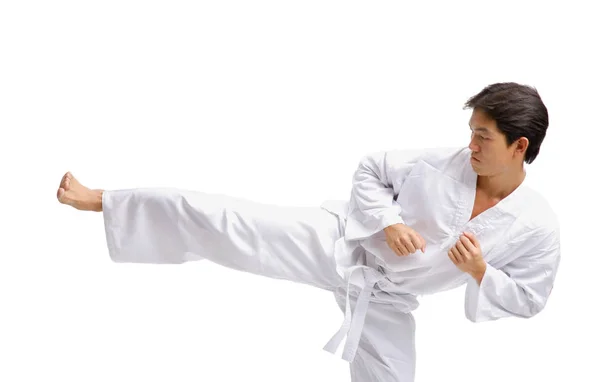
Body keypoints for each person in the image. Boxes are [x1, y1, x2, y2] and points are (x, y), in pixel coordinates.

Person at [56, 82, 561, 382]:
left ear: (519, 146)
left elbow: (529, 297)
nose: (469, 144)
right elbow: (370, 169)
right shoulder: (442, 163)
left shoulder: (536, 226)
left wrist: (479, 271)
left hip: (388, 299)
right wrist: (389, 222)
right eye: (470, 131)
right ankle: (106, 200)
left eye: (482, 136)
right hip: (339, 243)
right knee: (226, 218)